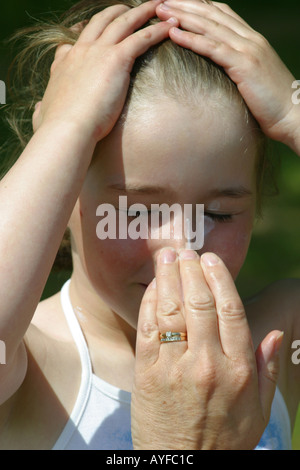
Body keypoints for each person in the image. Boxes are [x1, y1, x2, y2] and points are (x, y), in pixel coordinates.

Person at [0, 0, 299, 450]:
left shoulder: (276, 341)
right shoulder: (34, 369)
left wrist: (294, 114)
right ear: (61, 195)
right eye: (137, 211)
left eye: (218, 213)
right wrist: (66, 128)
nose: (182, 246)